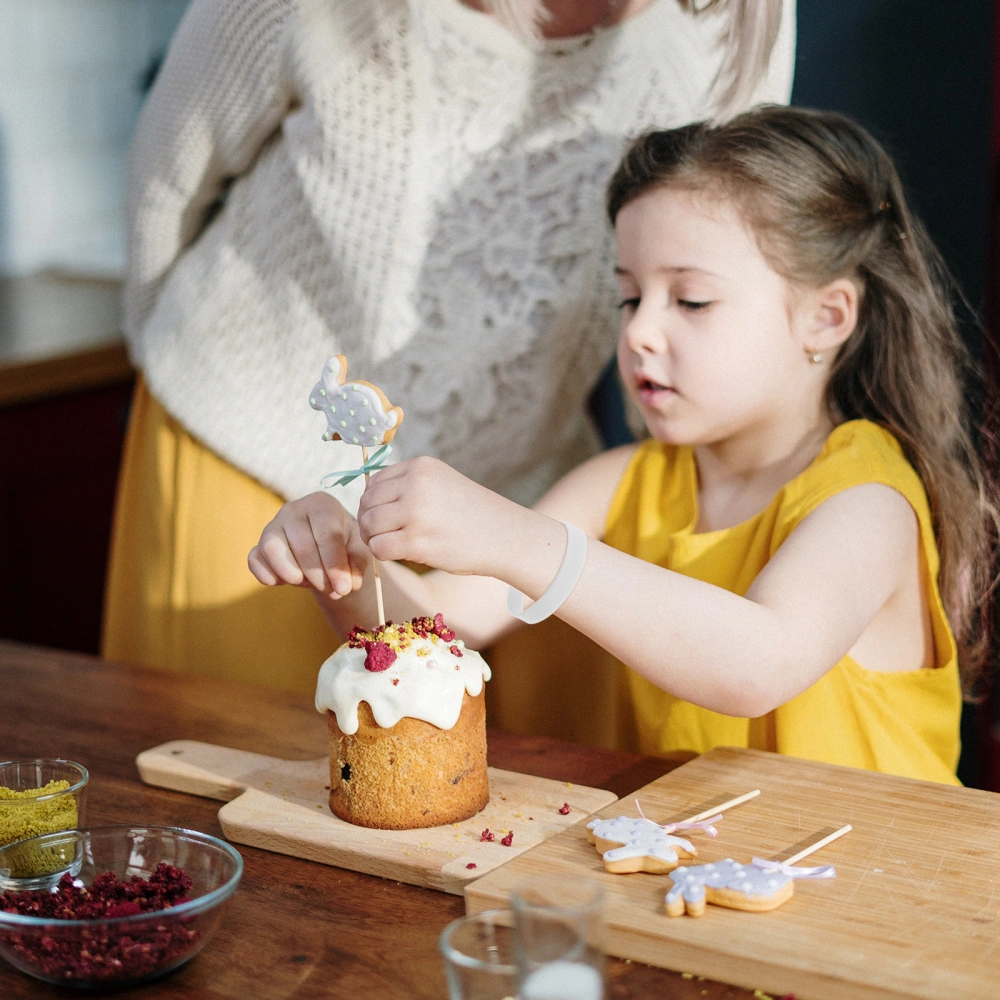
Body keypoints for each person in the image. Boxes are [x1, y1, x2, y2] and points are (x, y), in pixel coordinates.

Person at [249, 106, 999, 785]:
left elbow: (757, 664)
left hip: (882, 898)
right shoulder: (623, 480)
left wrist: (520, 538)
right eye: (630, 296)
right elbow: (439, 628)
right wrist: (347, 562)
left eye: (691, 300)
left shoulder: (869, 502)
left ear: (827, 318)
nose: (639, 331)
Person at [102, 0, 794, 694]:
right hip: (256, 468)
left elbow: (726, 259)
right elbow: (166, 183)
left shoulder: (739, 19)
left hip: (528, 505)